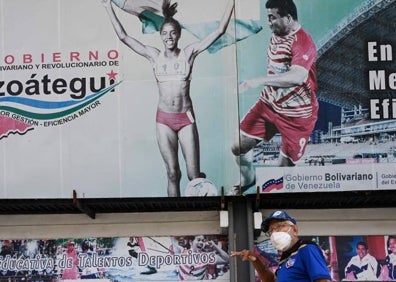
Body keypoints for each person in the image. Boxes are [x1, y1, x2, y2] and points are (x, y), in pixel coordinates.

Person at [102, 0, 235, 197]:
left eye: (173, 33)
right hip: (163, 120)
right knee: (173, 174)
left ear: (179, 34)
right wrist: (108, 7)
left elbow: (220, 31)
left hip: (185, 119)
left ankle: (198, 214)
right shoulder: (154, 56)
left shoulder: (188, 53)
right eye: (165, 33)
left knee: (193, 176)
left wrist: (232, 3)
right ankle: (177, 221)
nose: (169, 37)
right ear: (160, 36)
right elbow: (123, 37)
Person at [230, 0, 318, 194]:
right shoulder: (277, 34)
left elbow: (298, 76)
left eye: (272, 18)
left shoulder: (304, 41)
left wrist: (258, 80)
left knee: (283, 172)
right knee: (237, 146)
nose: (269, 22)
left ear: (288, 18)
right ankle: (248, 179)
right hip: (269, 104)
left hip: (297, 115)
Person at [231, 210, 331, 282]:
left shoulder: (306, 249)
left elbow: (322, 280)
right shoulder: (285, 259)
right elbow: (270, 280)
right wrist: (255, 259)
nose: (274, 233)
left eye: (279, 226)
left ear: (294, 230)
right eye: (271, 230)